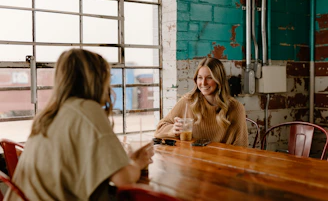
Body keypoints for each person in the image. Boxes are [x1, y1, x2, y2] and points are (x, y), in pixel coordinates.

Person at [4, 49, 154, 201]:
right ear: (98, 80)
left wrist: (124, 161)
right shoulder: (87, 110)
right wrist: (138, 162)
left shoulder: (51, 113)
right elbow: (124, 179)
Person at [154, 57, 248, 147]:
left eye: (209, 77)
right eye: (200, 77)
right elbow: (159, 130)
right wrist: (173, 130)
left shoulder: (236, 108)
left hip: (223, 161)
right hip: (192, 160)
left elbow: (241, 147)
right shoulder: (187, 101)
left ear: (219, 80)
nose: (203, 83)